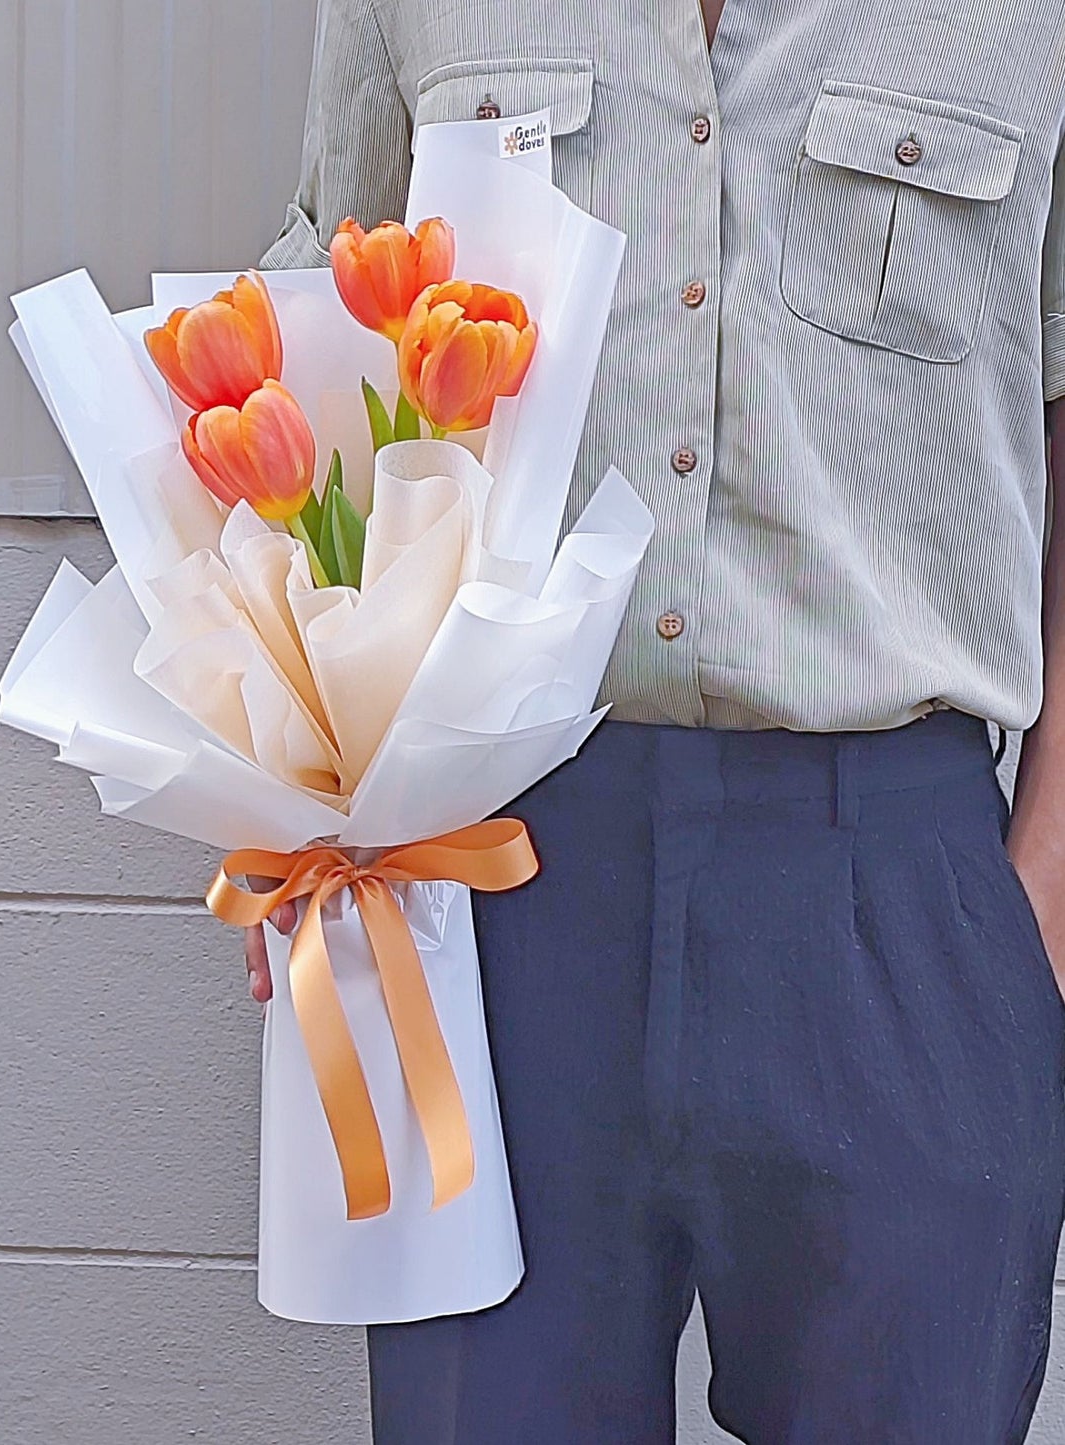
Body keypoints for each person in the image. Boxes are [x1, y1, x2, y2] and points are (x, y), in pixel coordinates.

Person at [247, 2, 1065, 1440]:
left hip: (896, 895)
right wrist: (294, 794)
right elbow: (322, 353)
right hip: (503, 885)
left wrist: (1042, 893)